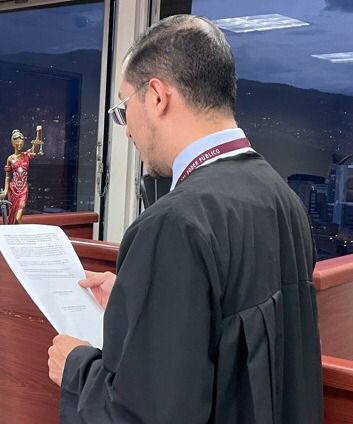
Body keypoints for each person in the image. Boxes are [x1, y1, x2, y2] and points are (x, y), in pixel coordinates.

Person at [48, 14, 322, 424]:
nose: (127, 131)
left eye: (124, 108)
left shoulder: (174, 222)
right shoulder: (282, 198)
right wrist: (137, 306)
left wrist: (76, 369)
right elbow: (234, 352)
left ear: (157, 97)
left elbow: (148, 414)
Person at [0, 128, 43, 224]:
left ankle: (24, 232)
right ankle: (13, 232)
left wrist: (39, 132)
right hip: (13, 189)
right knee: (12, 216)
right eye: (17, 143)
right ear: (13, 144)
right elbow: (8, 176)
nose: (19, 145)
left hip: (23, 189)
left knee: (18, 218)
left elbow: (36, 147)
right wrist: (6, 190)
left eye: (21, 143)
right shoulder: (10, 158)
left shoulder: (26, 155)